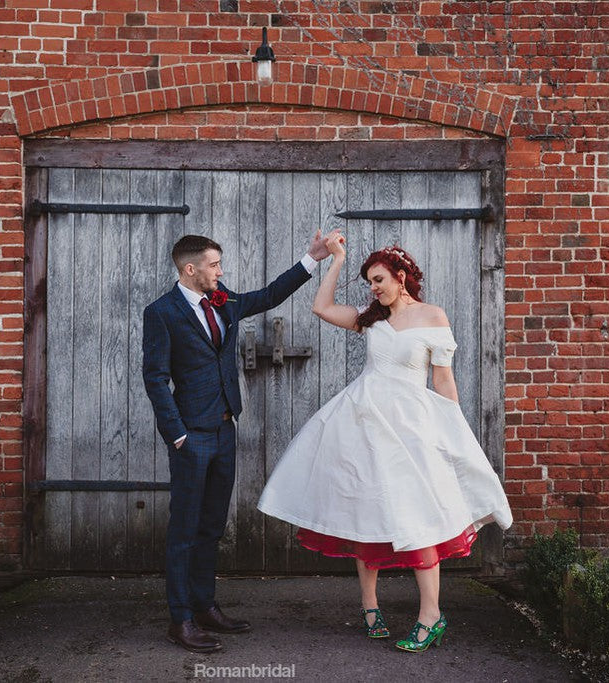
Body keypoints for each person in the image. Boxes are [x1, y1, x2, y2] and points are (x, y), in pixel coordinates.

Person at [257, 235, 512, 653]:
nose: (373, 288)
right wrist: (336, 260)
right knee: (365, 510)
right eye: (369, 283)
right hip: (362, 423)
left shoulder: (433, 317)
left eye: (378, 280)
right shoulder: (370, 318)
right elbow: (321, 308)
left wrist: (452, 430)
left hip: (411, 426)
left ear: (401, 276)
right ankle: (370, 607)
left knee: (420, 515)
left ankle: (431, 615)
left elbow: (443, 380)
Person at [142, 230, 340, 654]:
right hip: (190, 436)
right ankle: (181, 620)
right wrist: (175, 432)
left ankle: (205, 605)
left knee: (212, 526)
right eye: (214, 265)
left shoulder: (224, 300)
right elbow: (155, 377)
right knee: (184, 531)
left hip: (225, 430)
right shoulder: (161, 313)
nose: (221, 271)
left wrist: (312, 258)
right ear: (190, 269)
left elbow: (267, 296)